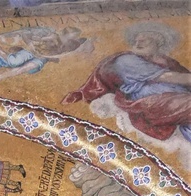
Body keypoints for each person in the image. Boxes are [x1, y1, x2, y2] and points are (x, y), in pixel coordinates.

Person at [63, 23, 191, 144]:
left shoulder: (168, 62)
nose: (137, 43)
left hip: (172, 97)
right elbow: (168, 77)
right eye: (136, 41)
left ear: (158, 42)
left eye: (144, 40)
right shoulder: (126, 60)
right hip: (147, 101)